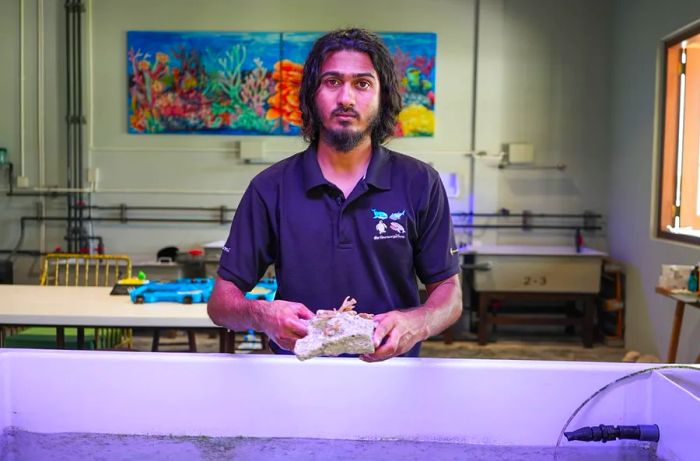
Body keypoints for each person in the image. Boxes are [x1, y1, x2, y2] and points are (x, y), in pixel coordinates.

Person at [208, 28, 462, 362]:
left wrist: (419, 321)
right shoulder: (270, 188)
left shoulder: (419, 182)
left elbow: (449, 293)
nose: (346, 98)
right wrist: (262, 315)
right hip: (295, 378)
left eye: (362, 83)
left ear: (383, 96)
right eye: (332, 82)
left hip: (393, 379)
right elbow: (221, 303)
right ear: (311, 95)